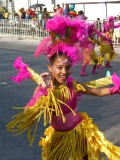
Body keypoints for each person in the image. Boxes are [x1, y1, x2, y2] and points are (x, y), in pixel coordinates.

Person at [6, 16, 120, 160]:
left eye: (67, 68)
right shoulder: (45, 90)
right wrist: (42, 89)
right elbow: (29, 111)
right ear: (50, 67)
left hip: (78, 132)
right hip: (57, 137)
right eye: (59, 68)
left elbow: (97, 91)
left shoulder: (73, 85)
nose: (64, 72)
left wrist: (115, 89)